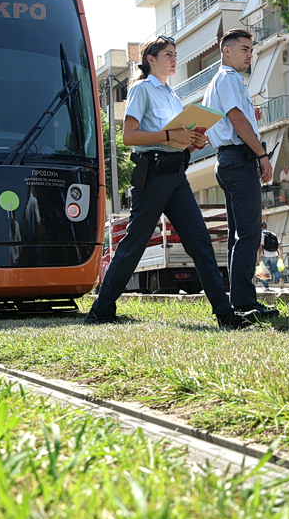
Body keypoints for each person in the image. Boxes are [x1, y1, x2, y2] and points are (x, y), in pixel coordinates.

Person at [86, 36, 254, 330]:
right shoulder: (141, 88)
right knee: (135, 243)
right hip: (151, 175)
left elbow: (179, 143)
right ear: (151, 59)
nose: (174, 59)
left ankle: (225, 314)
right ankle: (101, 310)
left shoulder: (173, 96)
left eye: (176, 54)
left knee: (200, 242)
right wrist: (168, 137)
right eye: (168, 55)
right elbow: (129, 137)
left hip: (177, 175)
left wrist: (194, 141)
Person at [203, 28, 278, 318]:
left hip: (225, 161)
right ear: (227, 51)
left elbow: (220, 124)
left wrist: (250, 116)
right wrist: (262, 154)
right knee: (248, 234)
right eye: (244, 49)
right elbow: (235, 118)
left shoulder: (216, 82)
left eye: (251, 49)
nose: (250, 54)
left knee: (238, 235)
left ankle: (240, 302)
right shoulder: (230, 78)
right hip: (239, 160)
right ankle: (245, 303)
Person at [258, 222, 283, 290]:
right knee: (275, 270)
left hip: (265, 255)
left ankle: (266, 286)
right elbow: (278, 244)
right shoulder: (273, 234)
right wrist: (280, 254)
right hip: (274, 254)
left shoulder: (262, 235)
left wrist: (259, 256)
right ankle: (279, 279)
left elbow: (261, 246)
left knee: (264, 271)